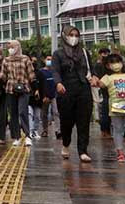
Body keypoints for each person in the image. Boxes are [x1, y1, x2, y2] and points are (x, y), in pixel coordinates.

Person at [52, 26, 94, 162]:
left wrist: (95, 77)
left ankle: (83, 151)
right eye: (71, 34)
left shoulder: (85, 53)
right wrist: (58, 83)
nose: (74, 38)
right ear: (64, 36)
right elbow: (55, 71)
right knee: (66, 121)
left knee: (84, 121)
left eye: (76, 35)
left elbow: (92, 70)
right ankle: (66, 143)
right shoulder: (58, 54)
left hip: (83, 89)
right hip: (65, 90)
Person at [98, 53, 125, 162]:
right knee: (118, 130)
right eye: (112, 63)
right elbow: (99, 84)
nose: (116, 64)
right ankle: (120, 152)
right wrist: (93, 79)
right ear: (108, 66)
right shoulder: (107, 77)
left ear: (122, 63)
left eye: (118, 62)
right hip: (115, 108)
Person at [0, 40, 36, 147]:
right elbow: (3, 76)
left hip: (24, 88)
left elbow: (31, 75)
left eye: (12, 47)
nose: (10, 49)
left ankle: (28, 136)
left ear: (17, 47)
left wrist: (36, 89)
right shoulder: (6, 60)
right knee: (13, 113)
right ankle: (17, 137)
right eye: (8, 47)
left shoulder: (25, 59)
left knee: (22, 111)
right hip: (10, 89)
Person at [38, 55, 60, 139]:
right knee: (44, 114)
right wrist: (43, 96)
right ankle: (45, 130)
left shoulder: (55, 71)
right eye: (48, 59)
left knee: (56, 112)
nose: (49, 61)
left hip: (54, 95)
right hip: (44, 96)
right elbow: (39, 85)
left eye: (51, 59)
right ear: (44, 60)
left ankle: (58, 131)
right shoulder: (41, 72)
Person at [93, 47, 112, 138]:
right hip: (103, 90)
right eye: (103, 53)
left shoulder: (110, 64)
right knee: (105, 112)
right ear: (100, 54)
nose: (105, 55)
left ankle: (108, 131)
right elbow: (96, 76)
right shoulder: (97, 65)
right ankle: (105, 131)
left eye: (107, 53)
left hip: (112, 90)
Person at [28, 56, 43, 139]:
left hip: (38, 99)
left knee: (37, 116)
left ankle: (35, 130)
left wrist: (42, 95)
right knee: (29, 114)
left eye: (34, 61)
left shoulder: (39, 73)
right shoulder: (25, 72)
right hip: (28, 98)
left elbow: (43, 86)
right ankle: (30, 131)